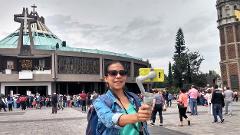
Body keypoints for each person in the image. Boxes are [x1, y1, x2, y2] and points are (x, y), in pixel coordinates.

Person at [93, 61, 151, 135]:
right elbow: (110, 120)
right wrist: (137, 116)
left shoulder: (134, 97)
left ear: (125, 77)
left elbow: (143, 124)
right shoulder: (100, 101)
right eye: (113, 73)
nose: (118, 76)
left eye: (122, 73)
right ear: (106, 78)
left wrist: (146, 112)